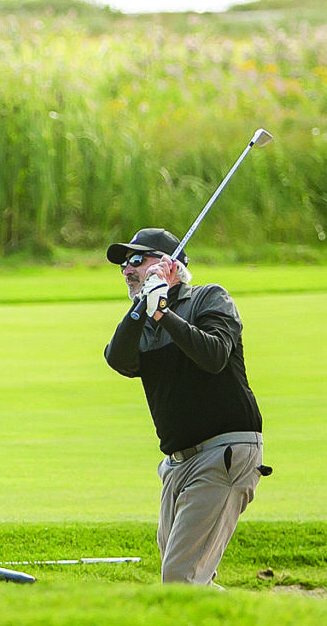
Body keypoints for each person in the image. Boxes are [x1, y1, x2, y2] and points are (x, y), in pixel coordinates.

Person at [103, 227, 269, 586]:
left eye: (136, 260)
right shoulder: (143, 319)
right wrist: (142, 309)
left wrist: (163, 312)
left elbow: (213, 356)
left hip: (224, 452)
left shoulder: (209, 298)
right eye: (123, 265)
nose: (127, 270)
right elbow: (118, 360)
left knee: (179, 578)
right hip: (177, 464)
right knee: (190, 578)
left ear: (170, 265)